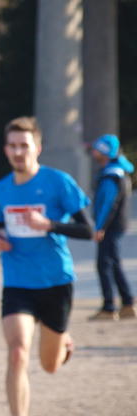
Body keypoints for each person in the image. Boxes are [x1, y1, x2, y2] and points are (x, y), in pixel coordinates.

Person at [0, 116, 93, 416]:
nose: (18, 151)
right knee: (17, 353)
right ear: (5, 150)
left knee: (49, 366)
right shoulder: (0, 189)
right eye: (12, 146)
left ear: (38, 148)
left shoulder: (58, 182)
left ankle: (62, 343)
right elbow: (0, 224)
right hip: (17, 282)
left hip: (55, 281)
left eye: (24, 145)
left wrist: (48, 224)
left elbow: (89, 230)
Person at [87, 134, 136, 321]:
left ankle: (109, 307)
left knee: (104, 265)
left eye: (97, 150)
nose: (94, 153)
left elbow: (108, 204)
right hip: (115, 226)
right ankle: (128, 303)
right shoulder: (117, 172)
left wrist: (100, 227)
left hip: (110, 227)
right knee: (113, 264)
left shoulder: (111, 174)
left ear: (105, 152)